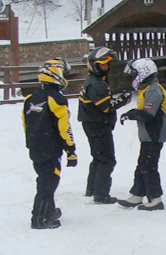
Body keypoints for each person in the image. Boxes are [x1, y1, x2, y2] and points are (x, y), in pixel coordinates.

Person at [22, 58, 77, 229]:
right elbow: (64, 128)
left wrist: (34, 141)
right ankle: (39, 219)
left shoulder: (30, 97)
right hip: (50, 149)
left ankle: (50, 211)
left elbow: (25, 124)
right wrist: (71, 150)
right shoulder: (57, 98)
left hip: (35, 147)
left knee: (44, 180)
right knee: (48, 183)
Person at [78, 47, 132, 204]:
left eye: (108, 65)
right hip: (98, 125)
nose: (107, 68)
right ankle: (101, 194)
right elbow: (106, 106)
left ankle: (92, 188)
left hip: (92, 123)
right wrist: (123, 99)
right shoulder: (96, 84)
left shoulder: (94, 81)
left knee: (98, 157)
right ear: (95, 66)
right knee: (107, 160)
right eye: (103, 65)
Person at [117, 58, 166, 211]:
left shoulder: (154, 90)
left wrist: (130, 114)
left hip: (154, 133)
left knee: (148, 165)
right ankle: (137, 194)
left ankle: (155, 198)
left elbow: (148, 114)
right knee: (142, 164)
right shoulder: (148, 89)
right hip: (148, 134)